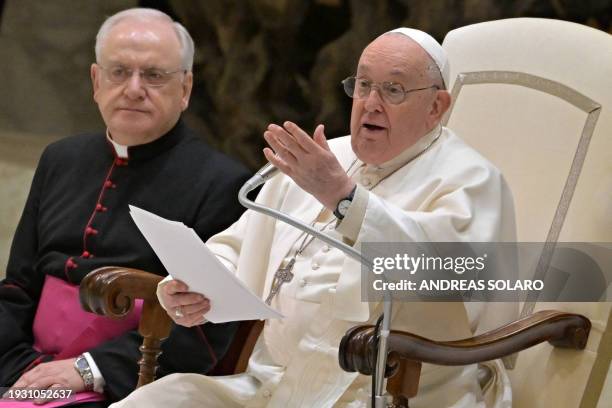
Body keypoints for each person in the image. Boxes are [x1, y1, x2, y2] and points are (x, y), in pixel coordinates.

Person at [113, 27, 517, 407]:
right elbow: (237, 247)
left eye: (393, 89)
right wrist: (191, 287)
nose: (370, 103)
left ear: (436, 106)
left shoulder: (470, 181)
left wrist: (343, 198)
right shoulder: (324, 159)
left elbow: (441, 272)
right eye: (362, 85)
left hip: (380, 394)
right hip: (269, 384)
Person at [0, 8, 250, 407]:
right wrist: (16, 366)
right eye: (119, 72)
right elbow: (18, 287)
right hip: (26, 366)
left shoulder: (223, 183)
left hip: (130, 380)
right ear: (97, 82)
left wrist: (87, 370)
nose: (134, 88)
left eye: (154, 75)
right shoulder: (60, 159)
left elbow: (207, 332)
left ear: (185, 89)